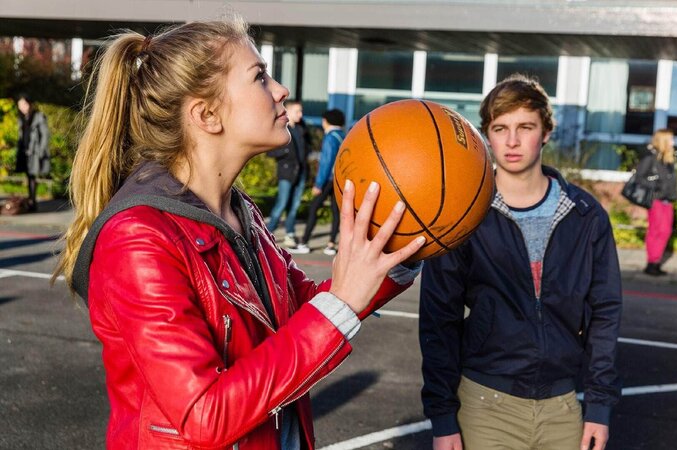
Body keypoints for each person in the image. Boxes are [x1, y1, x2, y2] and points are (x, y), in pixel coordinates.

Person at [52, 19, 425, 450]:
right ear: (206, 115)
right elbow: (203, 415)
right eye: (260, 77)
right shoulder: (138, 239)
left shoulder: (238, 211)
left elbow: (301, 307)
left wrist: (396, 251)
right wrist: (341, 304)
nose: (281, 89)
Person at [419, 74, 622, 450]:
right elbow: (438, 318)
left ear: (545, 132)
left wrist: (599, 406)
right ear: (486, 134)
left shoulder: (585, 215)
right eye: (501, 128)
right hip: (484, 402)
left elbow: (605, 314)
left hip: (562, 408)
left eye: (525, 127)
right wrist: (443, 416)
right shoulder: (462, 215)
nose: (512, 141)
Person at [289, 108, 345, 255]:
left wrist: (318, 184)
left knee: (314, 207)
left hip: (328, 179)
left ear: (326, 121)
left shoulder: (330, 138)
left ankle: (304, 242)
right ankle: (331, 244)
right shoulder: (344, 136)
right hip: (340, 180)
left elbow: (326, 162)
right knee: (336, 211)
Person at [267, 100, 310, 247]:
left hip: (301, 172)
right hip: (287, 172)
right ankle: (267, 232)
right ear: (289, 111)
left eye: (301, 111)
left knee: (294, 206)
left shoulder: (301, 128)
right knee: (282, 204)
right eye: (298, 111)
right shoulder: (281, 128)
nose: (301, 114)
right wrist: (285, 151)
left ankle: (289, 234)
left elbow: (307, 148)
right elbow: (271, 151)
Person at [636, 129, 677, 276]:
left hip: (668, 200)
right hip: (656, 199)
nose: (673, 142)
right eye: (671, 139)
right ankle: (652, 262)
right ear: (664, 140)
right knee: (656, 231)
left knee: (665, 231)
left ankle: (655, 260)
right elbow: (640, 177)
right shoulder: (651, 158)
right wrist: (656, 186)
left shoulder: (668, 160)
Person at [15, 93, 50, 212]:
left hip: (34, 152)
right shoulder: (21, 118)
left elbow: (44, 135)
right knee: (28, 176)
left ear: (29, 104)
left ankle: (32, 202)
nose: (22, 107)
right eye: (20, 105)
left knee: (33, 175)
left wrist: (41, 151)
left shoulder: (38, 116)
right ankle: (31, 200)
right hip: (24, 151)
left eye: (24, 104)